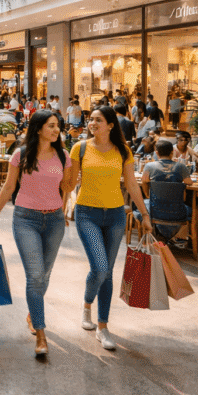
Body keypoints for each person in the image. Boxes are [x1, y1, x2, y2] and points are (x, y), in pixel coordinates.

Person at [0, 110, 73, 356]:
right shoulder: (20, 155)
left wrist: (63, 210)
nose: (56, 130)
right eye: (51, 126)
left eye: (58, 126)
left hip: (54, 221)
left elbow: (66, 187)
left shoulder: (63, 155)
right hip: (26, 220)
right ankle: (41, 334)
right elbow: (8, 187)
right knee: (34, 276)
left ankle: (33, 312)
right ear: (38, 128)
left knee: (44, 274)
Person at [69, 107, 151, 351]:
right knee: (100, 267)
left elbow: (132, 185)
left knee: (107, 272)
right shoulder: (80, 148)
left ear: (111, 125)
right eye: (91, 119)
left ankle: (103, 326)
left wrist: (144, 214)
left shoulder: (123, 151)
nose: (92, 123)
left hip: (115, 215)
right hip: (87, 213)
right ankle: (86, 305)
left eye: (98, 120)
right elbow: (69, 184)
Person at [133, 139, 193, 239]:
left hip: (155, 210)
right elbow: (189, 182)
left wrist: (147, 195)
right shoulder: (181, 166)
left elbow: (144, 181)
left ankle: (152, 236)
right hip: (178, 211)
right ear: (172, 152)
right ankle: (185, 238)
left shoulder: (149, 166)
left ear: (156, 153)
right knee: (193, 208)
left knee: (141, 205)